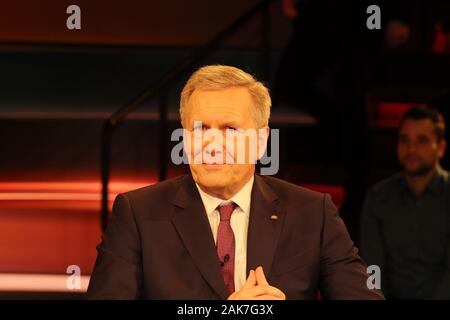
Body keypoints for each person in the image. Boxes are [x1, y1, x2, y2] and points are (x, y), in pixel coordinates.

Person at [87, 65, 384, 300]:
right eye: (200, 129)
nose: (212, 144)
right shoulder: (138, 214)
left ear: (260, 142)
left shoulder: (312, 213)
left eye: (230, 129)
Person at [360, 106, 450, 299]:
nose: (411, 149)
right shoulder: (379, 197)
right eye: (404, 140)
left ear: (441, 147)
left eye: (422, 141)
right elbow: (372, 267)